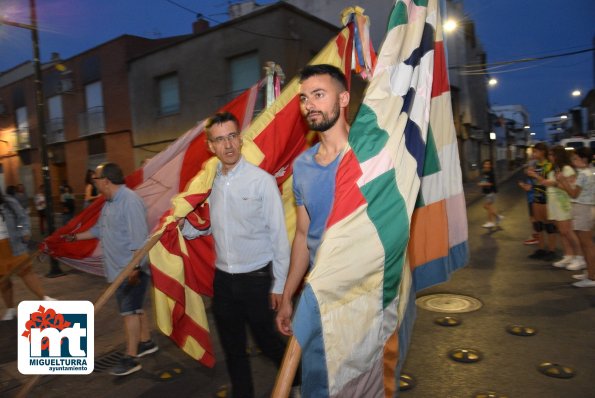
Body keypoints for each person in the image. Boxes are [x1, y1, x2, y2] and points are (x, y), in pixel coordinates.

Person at [179, 111, 294, 398]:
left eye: (232, 136)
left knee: (267, 343)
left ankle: (300, 382)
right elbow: (211, 226)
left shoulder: (261, 181)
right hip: (224, 282)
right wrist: (183, 227)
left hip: (257, 279)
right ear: (210, 146)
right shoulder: (209, 182)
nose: (228, 145)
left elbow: (280, 237)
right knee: (233, 350)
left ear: (240, 139)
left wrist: (280, 285)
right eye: (220, 140)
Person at [276, 64, 350, 337]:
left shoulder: (367, 155)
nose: (309, 105)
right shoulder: (302, 166)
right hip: (318, 292)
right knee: (317, 377)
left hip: (364, 294)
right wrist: (287, 297)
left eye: (319, 95)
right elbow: (303, 236)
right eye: (304, 99)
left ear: (343, 99)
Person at [63, 163, 158, 376]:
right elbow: (99, 229)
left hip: (130, 269)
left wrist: (134, 269)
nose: (94, 182)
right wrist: (74, 237)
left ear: (106, 180)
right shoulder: (109, 203)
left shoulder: (129, 201)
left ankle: (131, 358)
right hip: (119, 269)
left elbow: (140, 239)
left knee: (128, 313)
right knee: (135, 308)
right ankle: (146, 342)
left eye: (96, 178)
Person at [1, 187, 54, 321]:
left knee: (26, 272)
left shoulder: (7, 202)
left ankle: (44, 298)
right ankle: (10, 309)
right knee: (3, 281)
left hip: (13, 244)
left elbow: (22, 216)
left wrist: (23, 231)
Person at [529, 145, 583, 269]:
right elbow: (545, 183)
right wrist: (536, 176)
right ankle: (568, 255)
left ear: (559, 156)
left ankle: (580, 257)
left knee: (567, 232)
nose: (550, 157)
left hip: (563, 204)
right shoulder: (554, 170)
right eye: (549, 155)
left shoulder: (567, 169)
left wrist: (554, 183)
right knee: (562, 232)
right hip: (554, 204)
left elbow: (571, 189)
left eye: (552, 155)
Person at [556, 147, 594, 287]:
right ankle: (589, 272)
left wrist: (563, 181)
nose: (573, 161)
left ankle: (592, 277)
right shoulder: (590, 172)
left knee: (587, 244)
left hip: (582, 208)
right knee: (586, 243)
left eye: (576, 158)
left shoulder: (584, 174)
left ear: (584, 159)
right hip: (586, 207)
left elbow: (573, 194)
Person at [525, 143, 558, 261]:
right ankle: (540, 249)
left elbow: (547, 182)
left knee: (549, 225)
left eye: (536, 152)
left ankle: (552, 250)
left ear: (542, 152)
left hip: (547, 197)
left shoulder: (549, 166)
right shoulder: (536, 165)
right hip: (536, 196)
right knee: (538, 225)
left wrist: (534, 175)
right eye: (533, 152)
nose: (534, 154)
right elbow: (535, 182)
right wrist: (530, 179)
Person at [478, 159, 503, 228]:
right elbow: (484, 181)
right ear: (483, 165)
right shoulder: (484, 173)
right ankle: (498, 217)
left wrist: (482, 184)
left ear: (490, 165)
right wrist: (482, 183)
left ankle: (490, 222)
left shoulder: (491, 174)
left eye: (488, 164)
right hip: (487, 193)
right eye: (485, 164)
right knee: (486, 206)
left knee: (488, 206)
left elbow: (490, 184)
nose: (486, 165)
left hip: (491, 192)